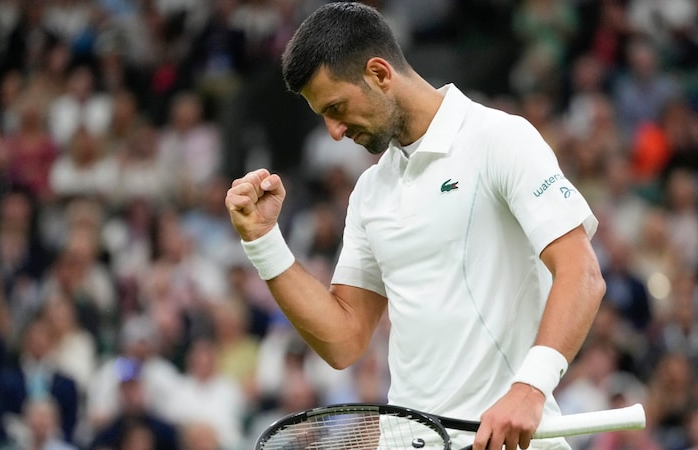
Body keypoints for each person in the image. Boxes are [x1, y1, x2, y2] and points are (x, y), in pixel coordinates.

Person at [224, 3, 606, 450]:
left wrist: (530, 388)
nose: (333, 131)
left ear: (380, 74)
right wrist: (264, 241)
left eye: (337, 107)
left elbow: (582, 273)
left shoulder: (499, 138)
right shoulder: (369, 191)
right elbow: (344, 340)